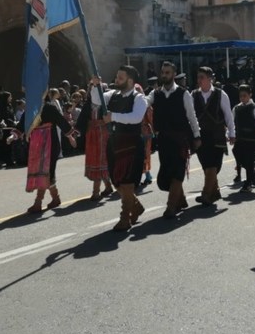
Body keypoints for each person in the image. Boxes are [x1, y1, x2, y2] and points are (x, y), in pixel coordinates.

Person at [91, 66, 147, 231]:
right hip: (114, 142)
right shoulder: (112, 95)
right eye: (117, 77)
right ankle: (135, 206)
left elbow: (136, 118)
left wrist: (113, 116)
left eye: (120, 78)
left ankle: (125, 218)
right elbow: (96, 99)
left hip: (131, 143)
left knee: (128, 182)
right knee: (116, 181)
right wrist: (96, 85)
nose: (116, 80)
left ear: (130, 80)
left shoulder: (139, 98)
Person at [146, 61, 201, 218]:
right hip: (163, 140)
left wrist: (197, 136)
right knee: (166, 175)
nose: (164, 75)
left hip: (180, 140)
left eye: (167, 72)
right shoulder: (155, 94)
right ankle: (181, 199)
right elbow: (144, 103)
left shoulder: (184, 94)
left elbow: (192, 117)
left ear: (174, 74)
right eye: (163, 72)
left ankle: (171, 207)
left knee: (178, 172)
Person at [20, 95, 77, 214]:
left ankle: (38, 202)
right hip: (36, 146)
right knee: (44, 172)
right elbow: (22, 123)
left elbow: (61, 121)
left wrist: (70, 136)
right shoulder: (31, 108)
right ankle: (55, 198)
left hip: (50, 144)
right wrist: (14, 135)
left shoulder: (50, 107)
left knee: (47, 171)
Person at [192, 66, 235, 206]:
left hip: (216, 135)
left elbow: (228, 115)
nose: (199, 80)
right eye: (198, 77)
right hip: (200, 136)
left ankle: (206, 194)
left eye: (202, 77)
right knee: (206, 165)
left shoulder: (220, 94)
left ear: (210, 78)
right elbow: (190, 116)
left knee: (213, 165)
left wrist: (232, 133)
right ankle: (213, 192)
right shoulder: (193, 95)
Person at [77, 85, 114, 201]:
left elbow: (112, 118)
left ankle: (96, 192)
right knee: (95, 160)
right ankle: (108, 186)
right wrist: (75, 133)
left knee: (101, 160)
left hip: (103, 134)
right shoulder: (88, 104)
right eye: (90, 90)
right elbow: (81, 120)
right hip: (92, 135)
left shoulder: (106, 104)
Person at [232, 84, 255, 193]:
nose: (242, 98)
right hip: (240, 138)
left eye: (245, 95)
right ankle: (253, 172)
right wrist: (230, 134)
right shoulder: (236, 108)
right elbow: (232, 123)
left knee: (249, 160)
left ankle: (248, 183)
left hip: (252, 140)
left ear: (250, 95)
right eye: (241, 96)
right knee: (237, 153)